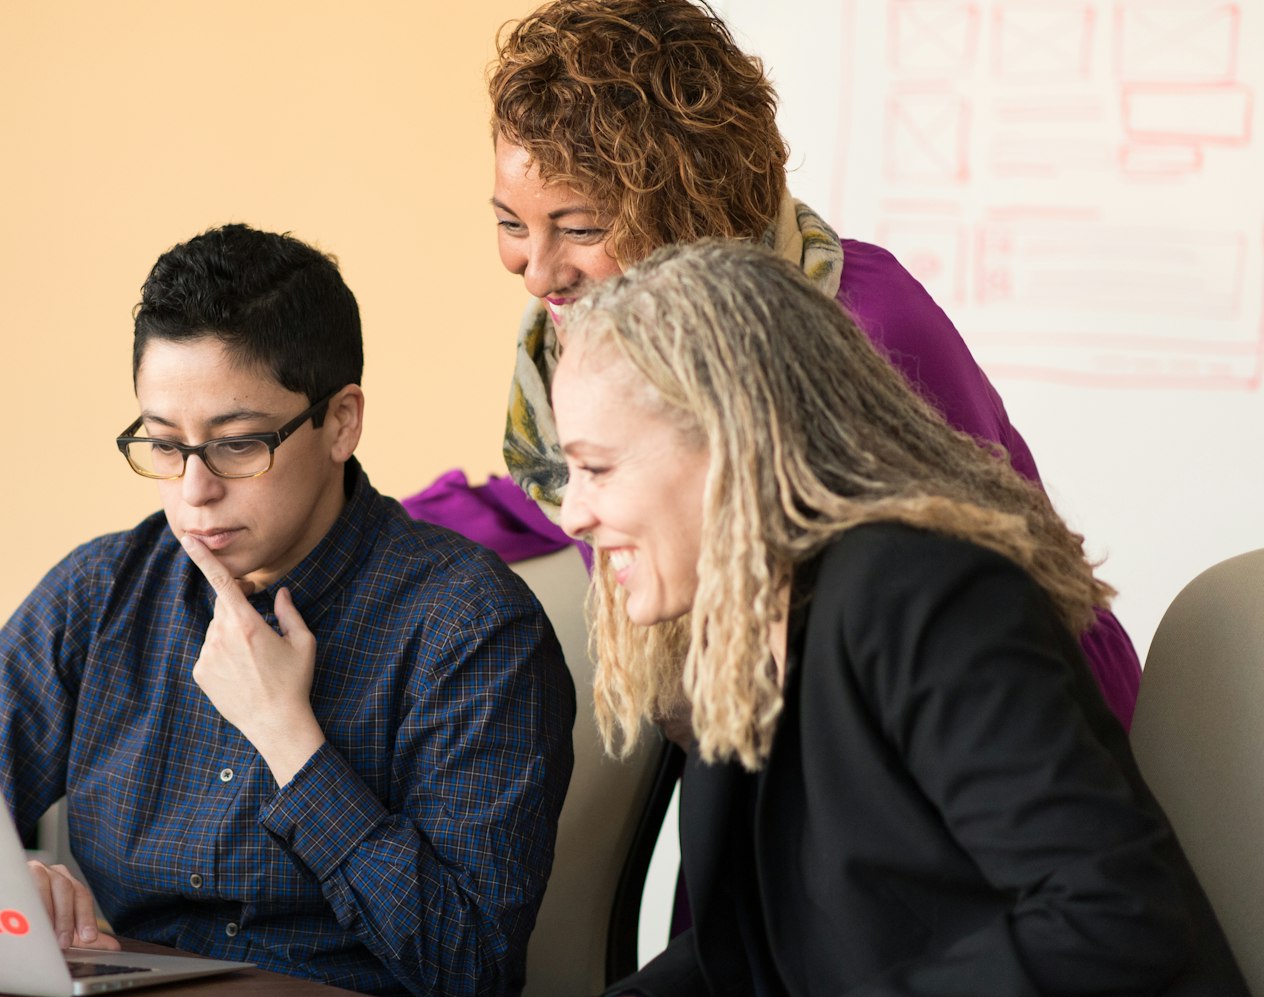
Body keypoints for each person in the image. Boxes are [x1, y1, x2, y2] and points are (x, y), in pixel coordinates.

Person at [551, 239, 1264, 997]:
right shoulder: (739, 621)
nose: (572, 514)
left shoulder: (926, 592)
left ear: (731, 444)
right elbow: (773, 935)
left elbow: (1109, 914)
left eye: (596, 468)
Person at [0, 224, 576, 997]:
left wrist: (289, 738)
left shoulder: (470, 626)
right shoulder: (101, 593)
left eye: (238, 445)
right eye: (164, 446)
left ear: (341, 422)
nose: (194, 492)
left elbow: (468, 967)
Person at [483, 0, 1142, 724]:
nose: (537, 274)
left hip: (1010, 718)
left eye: (580, 229)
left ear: (684, 211)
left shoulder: (863, 322)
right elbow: (567, 487)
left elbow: (974, 595)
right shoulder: (582, 340)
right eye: (511, 224)